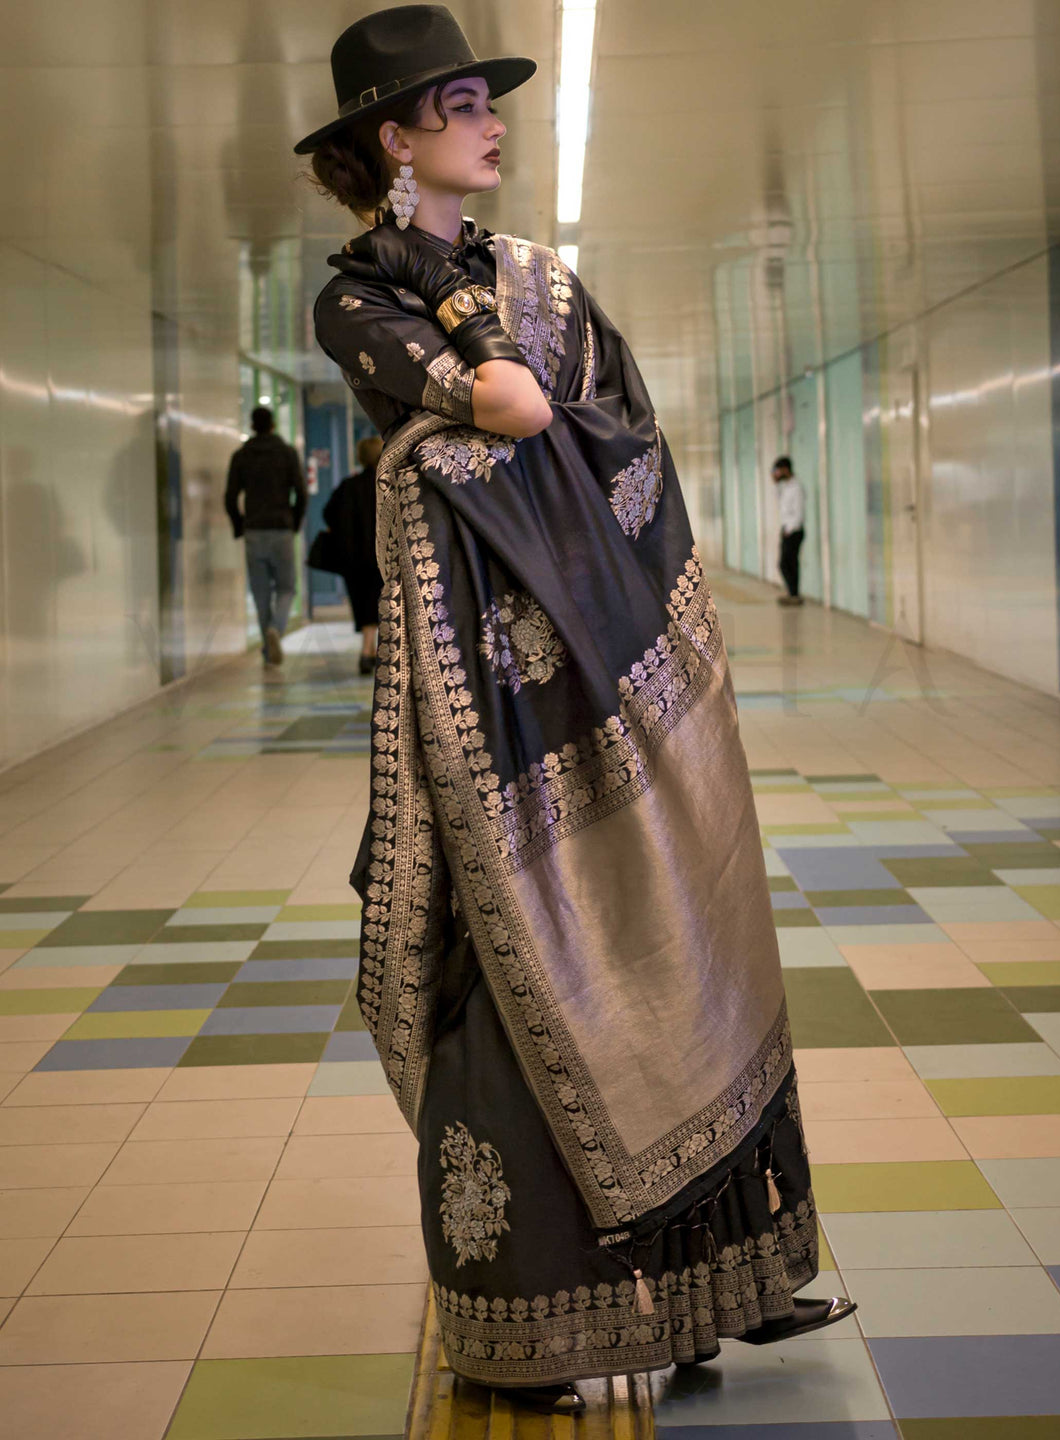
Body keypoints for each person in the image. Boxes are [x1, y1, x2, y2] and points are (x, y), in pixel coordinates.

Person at [296, 5, 853, 1414]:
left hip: (618, 662)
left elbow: (616, 433)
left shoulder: (542, 279)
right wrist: (475, 389)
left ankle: (717, 1286)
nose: (496, 124)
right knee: (511, 980)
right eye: (467, 103)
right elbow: (508, 409)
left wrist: (477, 410)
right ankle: (535, 1323)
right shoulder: (355, 297)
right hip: (490, 717)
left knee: (678, 939)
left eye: (492, 100)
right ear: (394, 138)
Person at [225, 406, 307, 664]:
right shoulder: (287, 453)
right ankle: (276, 631)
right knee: (286, 589)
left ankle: (266, 647)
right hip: (281, 529)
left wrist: (240, 525)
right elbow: (301, 493)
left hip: (254, 530)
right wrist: (293, 522)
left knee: (261, 594)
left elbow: (230, 496)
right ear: (272, 425)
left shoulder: (242, 455)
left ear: (252, 426)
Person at [321, 435, 383, 673]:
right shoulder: (389, 483)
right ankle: (370, 651)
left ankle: (367, 650)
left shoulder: (349, 486)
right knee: (379, 604)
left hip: (354, 560)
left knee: (363, 605)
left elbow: (328, 513)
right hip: (382, 558)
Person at [772, 455, 805, 606]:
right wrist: (775, 483)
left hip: (794, 531)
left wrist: (790, 529)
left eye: (778, 471)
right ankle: (792, 593)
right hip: (786, 529)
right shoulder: (785, 486)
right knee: (787, 564)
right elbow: (779, 503)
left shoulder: (796, 487)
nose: (776, 473)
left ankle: (794, 594)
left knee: (787, 563)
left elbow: (799, 512)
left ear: (785, 469)